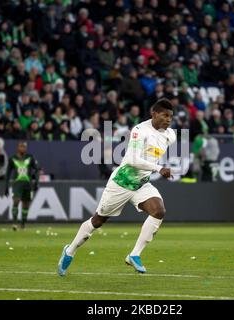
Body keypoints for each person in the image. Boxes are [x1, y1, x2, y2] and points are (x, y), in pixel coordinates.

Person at [58, 98, 176, 275]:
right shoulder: (139, 131)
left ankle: (134, 255)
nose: (168, 120)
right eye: (164, 116)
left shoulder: (170, 135)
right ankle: (70, 251)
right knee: (98, 221)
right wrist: (159, 168)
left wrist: (156, 167)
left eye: (170, 117)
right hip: (121, 183)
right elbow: (132, 160)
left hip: (141, 184)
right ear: (154, 114)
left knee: (159, 211)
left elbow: (151, 156)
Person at [4, 141, 39, 230]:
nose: (23, 148)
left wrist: (36, 182)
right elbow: (8, 174)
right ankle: (14, 223)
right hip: (17, 183)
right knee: (16, 201)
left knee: (26, 204)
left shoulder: (30, 157)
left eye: (24, 146)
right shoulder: (12, 159)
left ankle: (23, 224)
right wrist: (6, 187)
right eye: (21, 146)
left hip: (28, 184)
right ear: (18, 147)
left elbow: (36, 170)